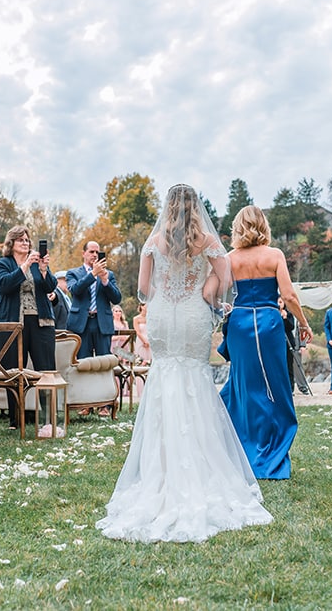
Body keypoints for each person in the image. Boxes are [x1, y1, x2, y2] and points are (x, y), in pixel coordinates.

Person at [97, 184, 272, 542]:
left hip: (162, 316)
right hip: (193, 315)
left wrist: (167, 296)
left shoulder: (154, 242)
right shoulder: (206, 240)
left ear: (167, 207)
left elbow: (144, 289)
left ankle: (160, 471)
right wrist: (201, 292)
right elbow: (223, 281)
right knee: (194, 382)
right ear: (195, 207)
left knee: (163, 380)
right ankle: (201, 469)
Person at [219, 205, 313, 480]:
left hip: (239, 323)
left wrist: (226, 309)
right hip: (268, 323)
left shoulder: (229, 259)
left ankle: (242, 448)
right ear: (263, 226)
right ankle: (269, 450)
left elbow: (213, 293)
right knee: (274, 384)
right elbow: (290, 295)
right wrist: (304, 324)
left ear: (237, 227)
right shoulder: (274, 255)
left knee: (244, 384)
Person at [0, 226, 58, 427]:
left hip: (41, 322)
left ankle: (48, 419)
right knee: (13, 371)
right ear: (11, 243)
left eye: (27, 240)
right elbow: (3, 286)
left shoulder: (37, 263)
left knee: (46, 370)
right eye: (21, 240)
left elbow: (51, 286)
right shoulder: (3, 263)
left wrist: (43, 270)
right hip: (13, 323)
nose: (26, 243)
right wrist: (24, 267)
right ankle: (16, 419)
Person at [66, 241, 122, 357]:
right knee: (82, 362)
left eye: (97, 252)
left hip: (102, 323)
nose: (95, 255)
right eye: (91, 252)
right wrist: (93, 274)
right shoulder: (73, 273)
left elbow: (117, 299)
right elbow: (75, 290)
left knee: (104, 361)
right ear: (83, 253)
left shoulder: (109, 275)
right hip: (81, 324)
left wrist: (105, 281)